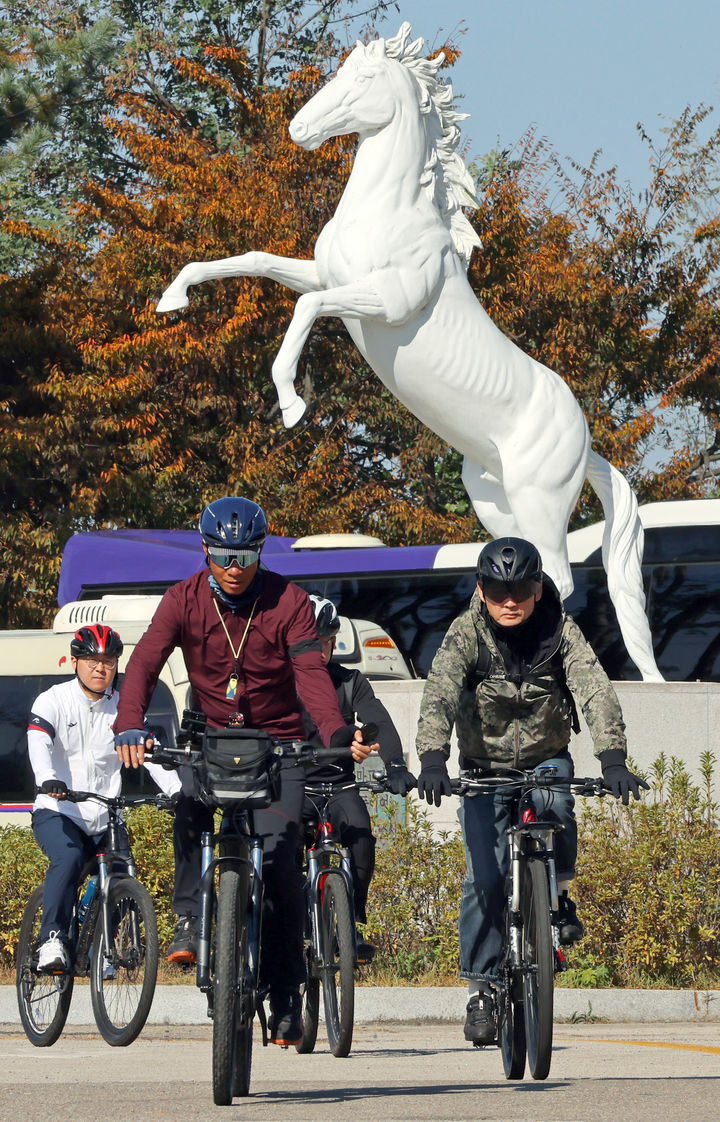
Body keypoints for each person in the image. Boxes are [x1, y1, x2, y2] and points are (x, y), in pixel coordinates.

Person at [113, 496, 367, 1047]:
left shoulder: (290, 602)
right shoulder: (181, 599)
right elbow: (143, 664)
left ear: (259, 553)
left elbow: (312, 679)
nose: (233, 567)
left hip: (278, 744)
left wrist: (337, 734)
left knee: (280, 865)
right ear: (205, 549)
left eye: (245, 556)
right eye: (223, 555)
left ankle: (282, 995)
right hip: (209, 738)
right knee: (188, 806)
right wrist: (129, 723)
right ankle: (188, 917)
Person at [414, 536, 649, 1046]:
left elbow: (595, 688)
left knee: (557, 801)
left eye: (521, 588)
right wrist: (432, 759)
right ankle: (480, 990)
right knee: (483, 879)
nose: (510, 600)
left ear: (538, 588)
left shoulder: (561, 631)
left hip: (545, 755)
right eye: (499, 589)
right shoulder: (465, 634)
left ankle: (558, 896)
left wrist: (612, 760)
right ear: (482, 589)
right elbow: (439, 694)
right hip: (482, 764)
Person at [27, 624, 181, 972]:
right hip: (59, 808)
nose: (101, 668)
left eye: (109, 661)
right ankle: (51, 939)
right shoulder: (53, 700)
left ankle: (102, 947)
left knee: (122, 872)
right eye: (92, 660)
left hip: (105, 814)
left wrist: (176, 791)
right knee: (67, 859)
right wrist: (47, 778)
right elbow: (39, 742)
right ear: (76, 662)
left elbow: (146, 754)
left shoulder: (123, 709)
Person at [304, 595, 416, 961]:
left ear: (332, 643)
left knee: (362, 839)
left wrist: (395, 764)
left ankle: (352, 918)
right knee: (281, 845)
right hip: (293, 784)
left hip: (338, 785)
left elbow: (377, 723)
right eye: (308, 640)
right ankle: (288, 922)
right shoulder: (277, 682)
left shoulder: (350, 682)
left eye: (322, 641)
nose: (316, 649)